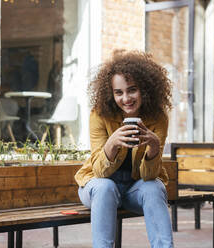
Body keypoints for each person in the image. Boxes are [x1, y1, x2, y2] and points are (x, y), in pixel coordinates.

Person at [74, 50, 174, 248]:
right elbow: (100, 173)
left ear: (145, 89)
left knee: (154, 187)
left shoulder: (158, 118)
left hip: (133, 190)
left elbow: (149, 176)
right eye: (118, 92)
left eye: (132, 90)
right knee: (105, 186)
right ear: (111, 94)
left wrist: (154, 147)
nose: (126, 98)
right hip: (98, 188)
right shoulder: (99, 115)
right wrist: (111, 144)